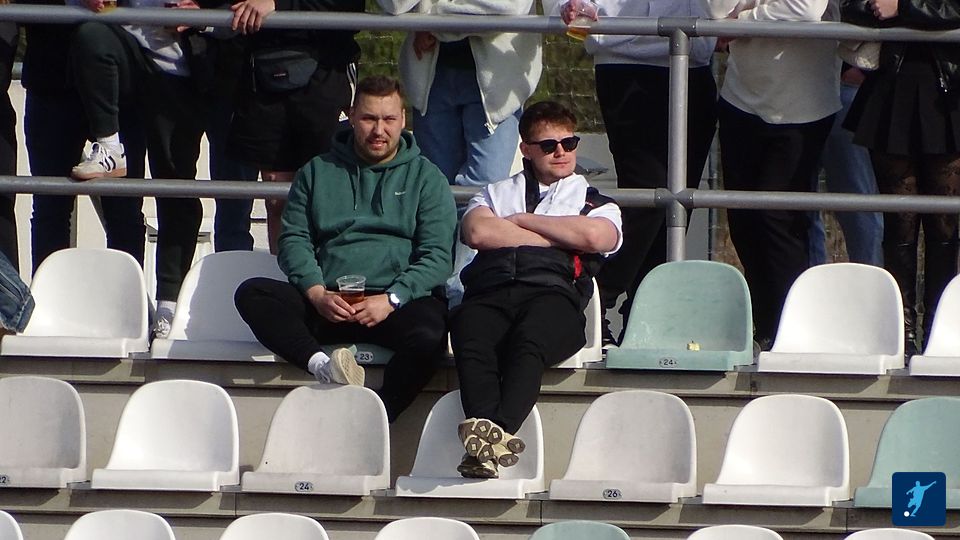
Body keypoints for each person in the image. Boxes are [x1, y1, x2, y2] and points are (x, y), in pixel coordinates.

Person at [235, 76, 457, 422]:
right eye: (369, 118)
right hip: (329, 302)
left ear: (403, 119)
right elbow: (293, 240)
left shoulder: (427, 178)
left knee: (431, 336)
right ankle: (324, 367)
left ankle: (374, 419)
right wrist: (316, 293)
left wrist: (392, 299)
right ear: (351, 116)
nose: (379, 130)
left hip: (393, 305)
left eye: (388, 119)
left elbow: (438, 256)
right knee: (253, 294)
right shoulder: (316, 172)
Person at [450, 101, 622, 478]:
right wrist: (561, 236)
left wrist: (523, 222)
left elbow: (596, 237)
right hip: (491, 292)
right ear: (526, 149)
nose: (561, 152)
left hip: (553, 296)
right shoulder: (495, 192)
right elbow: (477, 232)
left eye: (569, 143)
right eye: (548, 145)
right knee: (469, 330)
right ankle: (488, 445)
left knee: (528, 341)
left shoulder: (595, 201)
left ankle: (491, 438)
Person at [558, 0, 718, 346]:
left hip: (693, 58)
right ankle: (592, 296)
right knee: (647, 195)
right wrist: (570, 5)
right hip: (624, 60)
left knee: (678, 204)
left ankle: (647, 321)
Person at [69, 0, 211, 334]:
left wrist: (203, 14)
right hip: (124, 63)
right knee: (121, 199)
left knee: (175, 185)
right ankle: (128, 303)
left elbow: (238, 11)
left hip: (182, 73)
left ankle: (169, 306)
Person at [706, 0, 841, 348]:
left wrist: (744, 19)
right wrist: (741, 19)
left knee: (778, 219)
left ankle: (790, 331)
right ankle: (766, 329)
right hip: (740, 100)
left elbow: (805, 9)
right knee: (743, 220)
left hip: (802, 105)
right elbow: (717, 13)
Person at [842, 0, 960, 355]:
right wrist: (877, 7)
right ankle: (901, 332)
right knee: (899, 225)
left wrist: (902, 7)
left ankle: (939, 330)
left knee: (944, 226)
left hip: (948, 91)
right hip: (891, 90)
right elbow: (849, 7)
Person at [227, 0, 363, 253]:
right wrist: (200, 8)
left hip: (326, 68)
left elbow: (351, 6)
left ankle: (327, 273)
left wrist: (277, 3)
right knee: (277, 198)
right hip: (263, 68)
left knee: (328, 194)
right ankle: (281, 274)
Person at [22, 0, 147, 274]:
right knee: (50, 206)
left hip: (117, 86)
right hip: (50, 80)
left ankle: (126, 295)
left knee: (124, 209)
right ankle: (48, 295)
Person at [376, 0, 541, 188]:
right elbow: (394, 5)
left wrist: (433, 19)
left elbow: (508, 8)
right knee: (434, 185)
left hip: (499, 86)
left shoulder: (433, 18)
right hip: (431, 80)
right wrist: (431, 22)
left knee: (486, 187)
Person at [808, 65, 883, 267]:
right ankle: (809, 283)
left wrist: (862, 71)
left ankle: (870, 281)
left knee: (859, 208)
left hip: (845, 91)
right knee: (799, 208)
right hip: (797, 93)